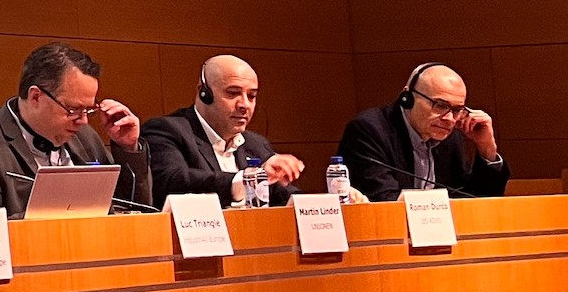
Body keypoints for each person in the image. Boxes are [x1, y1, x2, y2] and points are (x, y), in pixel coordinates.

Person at [0, 41, 150, 218]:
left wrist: (128, 149)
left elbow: (135, 212)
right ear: (35, 97)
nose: (84, 121)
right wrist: (62, 213)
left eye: (88, 110)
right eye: (73, 109)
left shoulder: (85, 138)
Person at [142, 56, 302, 207]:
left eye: (251, 96)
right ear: (204, 93)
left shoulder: (255, 143)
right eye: (233, 93)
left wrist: (305, 204)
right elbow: (173, 182)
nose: (245, 105)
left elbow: (282, 194)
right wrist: (246, 180)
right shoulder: (166, 130)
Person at [339, 62, 509, 202]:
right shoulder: (369, 130)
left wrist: (487, 149)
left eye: (457, 110)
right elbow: (383, 199)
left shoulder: (450, 136)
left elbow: (477, 201)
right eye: (440, 105)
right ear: (407, 98)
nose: (450, 118)